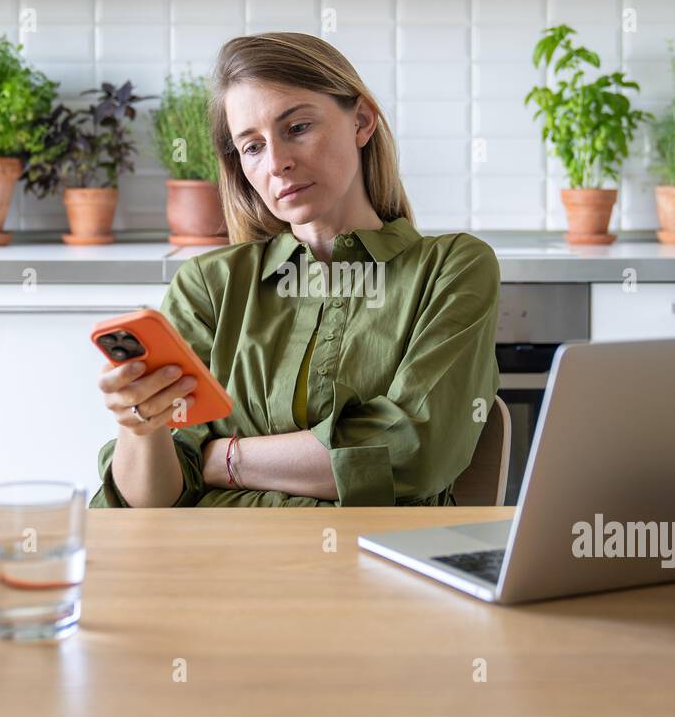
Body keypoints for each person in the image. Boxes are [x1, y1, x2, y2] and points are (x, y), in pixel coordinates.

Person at [92, 32, 500, 508]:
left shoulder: (451, 268)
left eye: (298, 127)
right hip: (217, 572)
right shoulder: (208, 286)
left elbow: (412, 453)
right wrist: (140, 428)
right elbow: (152, 506)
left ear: (362, 121)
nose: (278, 163)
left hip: (377, 571)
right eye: (252, 147)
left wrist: (223, 460)